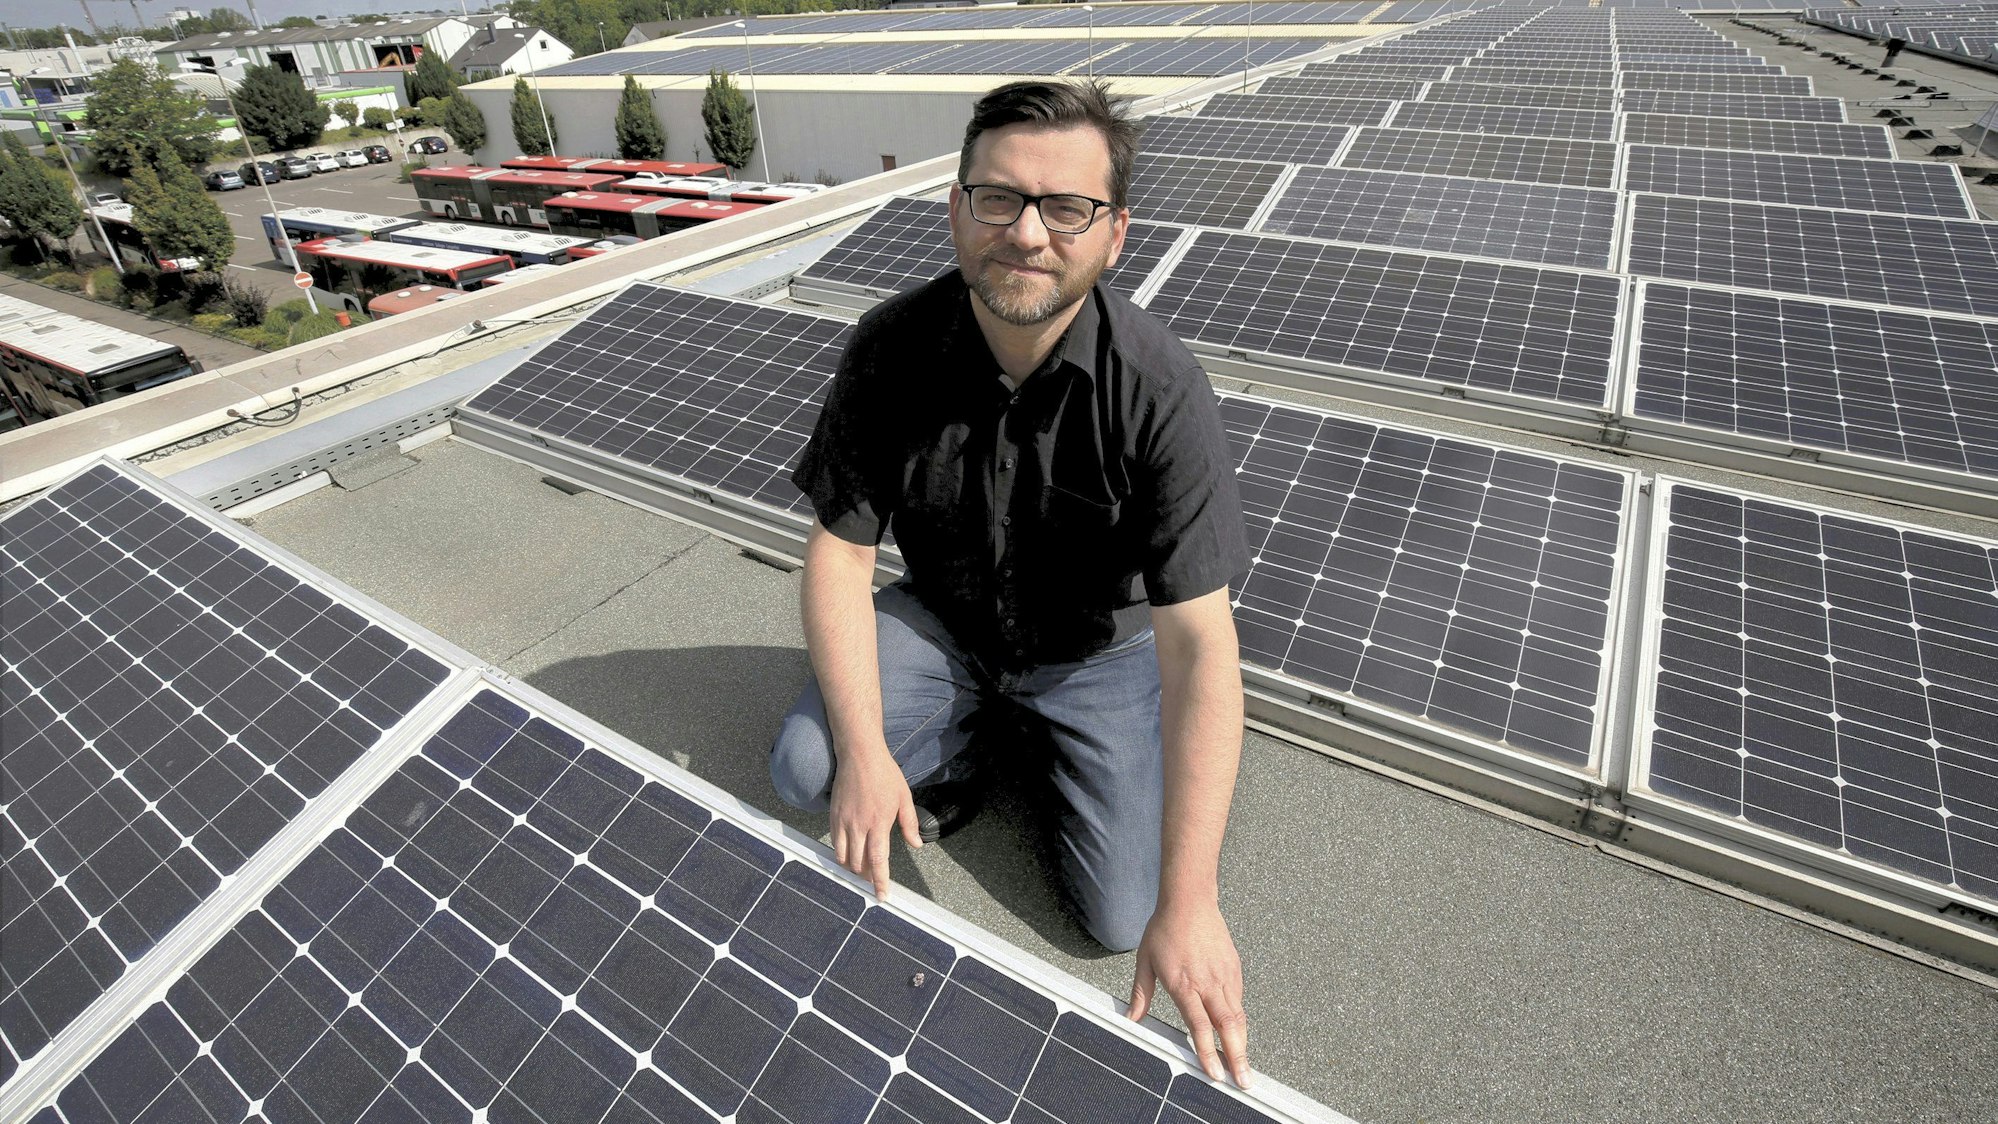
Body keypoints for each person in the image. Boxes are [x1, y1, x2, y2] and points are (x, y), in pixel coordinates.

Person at [768, 79, 1253, 1089]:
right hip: (946, 623)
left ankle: (1053, 739)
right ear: (957, 208)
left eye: (1065, 206)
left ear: (1114, 234)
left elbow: (1203, 647)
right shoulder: (891, 348)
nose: (1027, 232)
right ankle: (964, 742)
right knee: (809, 771)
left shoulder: (1159, 389)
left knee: (1124, 914)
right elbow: (840, 553)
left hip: (1094, 655)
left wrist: (1194, 897)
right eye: (999, 197)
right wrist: (866, 749)